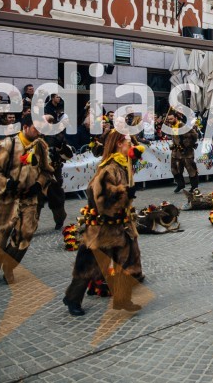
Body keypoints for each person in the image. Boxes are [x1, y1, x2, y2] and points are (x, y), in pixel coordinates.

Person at [63, 130, 145, 316]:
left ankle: (123, 300)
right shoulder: (109, 168)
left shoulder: (124, 165)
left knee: (125, 263)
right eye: (128, 142)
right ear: (118, 144)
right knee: (89, 266)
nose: (131, 146)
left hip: (121, 225)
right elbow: (99, 197)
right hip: (104, 227)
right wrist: (124, 192)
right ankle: (73, 298)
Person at [0, 114, 54, 285]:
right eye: (36, 128)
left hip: (29, 198)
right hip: (7, 198)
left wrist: (39, 184)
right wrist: (6, 183)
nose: (39, 132)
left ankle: (9, 266)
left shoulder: (41, 146)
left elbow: (47, 170)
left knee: (26, 232)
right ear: (26, 127)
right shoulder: (7, 144)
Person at [42, 115, 75, 230]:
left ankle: (60, 219)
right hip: (38, 172)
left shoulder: (58, 136)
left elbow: (68, 155)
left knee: (56, 197)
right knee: (35, 198)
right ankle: (30, 222)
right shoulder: (37, 135)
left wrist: (61, 147)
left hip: (54, 172)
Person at [165, 113, 200, 194]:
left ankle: (194, 187)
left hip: (186, 152)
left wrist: (186, 144)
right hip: (176, 152)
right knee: (175, 169)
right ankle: (180, 184)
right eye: (168, 119)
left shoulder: (182, 126)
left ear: (176, 118)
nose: (170, 121)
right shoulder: (172, 126)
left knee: (191, 169)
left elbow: (195, 135)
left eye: (171, 119)